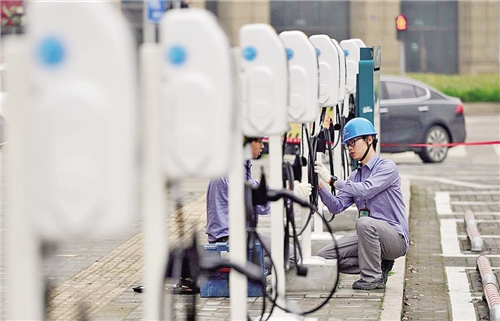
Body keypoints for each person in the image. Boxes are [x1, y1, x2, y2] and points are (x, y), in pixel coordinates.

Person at [312, 118, 409, 290]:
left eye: (353, 142)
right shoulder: (354, 177)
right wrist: (320, 187)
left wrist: (333, 180)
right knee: (325, 256)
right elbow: (336, 206)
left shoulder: (387, 167)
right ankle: (379, 265)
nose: (350, 148)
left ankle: (372, 277)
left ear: (369, 140)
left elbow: (366, 190)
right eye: (347, 144)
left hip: (395, 238)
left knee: (364, 223)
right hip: (368, 237)